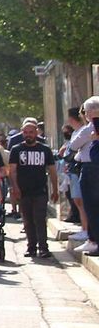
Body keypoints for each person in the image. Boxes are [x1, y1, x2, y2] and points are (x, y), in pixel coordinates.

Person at [7, 119, 57, 259]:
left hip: (40, 190)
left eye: (31, 132)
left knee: (40, 219)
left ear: (36, 133)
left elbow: (52, 171)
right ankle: (31, 248)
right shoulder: (16, 149)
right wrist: (15, 187)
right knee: (27, 220)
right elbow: (12, 171)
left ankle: (43, 248)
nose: (28, 134)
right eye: (26, 132)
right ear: (22, 133)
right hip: (23, 191)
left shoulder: (45, 150)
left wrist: (55, 189)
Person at [68, 98, 99, 255]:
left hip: (91, 168)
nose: (85, 115)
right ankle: (92, 239)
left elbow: (73, 145)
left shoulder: (91, 127)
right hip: (90, 166)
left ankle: (94, 240)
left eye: (86, 112)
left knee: (91, 206)